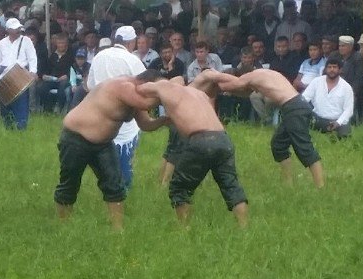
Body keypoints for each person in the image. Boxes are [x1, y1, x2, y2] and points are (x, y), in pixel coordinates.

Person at [54, 72, 167, 230]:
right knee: (70, 183)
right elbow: (147, 104)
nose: (158, 92)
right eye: (156, 88)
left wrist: (166, 120)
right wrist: (170, 92)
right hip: (76, 137)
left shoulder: (136, 99)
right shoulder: (124, 85)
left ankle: (117, 230)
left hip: (103, 144)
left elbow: (146, 124)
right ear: (143, 83)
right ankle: (63, 226)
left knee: (114, 184)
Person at [136, 79, 249, 227]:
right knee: (230, 185)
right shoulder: (198, 94)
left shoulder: (164, 86)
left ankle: (184, 229)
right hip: (223, 139)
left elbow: (140, 89)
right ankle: (244, 227)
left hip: (200, 140)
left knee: (179, 187)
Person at [219, 68, 324, 187]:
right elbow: (245, 93)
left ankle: (321, 187)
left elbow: (230, 85)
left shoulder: (251, 77)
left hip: (294, 108)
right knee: (278, 145)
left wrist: (212, 77)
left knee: (304, 147)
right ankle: (287, 183)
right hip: (297, 104)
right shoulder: (269, 73)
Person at [86, 25, 146, 193]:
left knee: (105, 157)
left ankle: (109, 189)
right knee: (124, 159)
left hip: (100, 117)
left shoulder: (99, 56)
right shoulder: (132, 60)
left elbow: (90, 86)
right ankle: (121, 192)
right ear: (131, 42)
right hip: (124, 118)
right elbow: (145, 87)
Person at [0, 18, 36, 130]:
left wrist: (33, 72)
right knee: (5, 101)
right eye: (14, 29)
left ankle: (21, 125)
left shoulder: (26, 40)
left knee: (21, 100)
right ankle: (8, 125)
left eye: (18, 28)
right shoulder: (2, 43)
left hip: (20, 72)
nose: (17, 31)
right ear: (8, 30)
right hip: (5, 72)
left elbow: (32, 57)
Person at [302, 57, 354, 138]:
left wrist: (338, 123)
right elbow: (304, 98)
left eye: (334, 67)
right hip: (317, 119)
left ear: (340, 70)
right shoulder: (316, 82)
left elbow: (349, 110)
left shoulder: (346, 87)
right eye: (329, 67)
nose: (332, 70)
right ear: (325, 69)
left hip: (337, 121)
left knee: (344, 137)